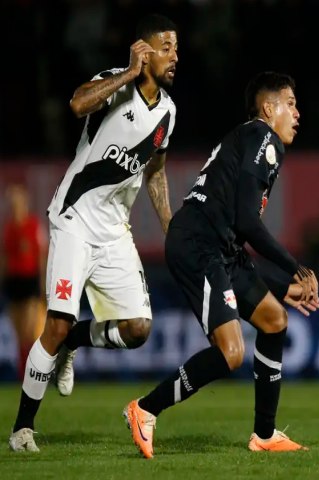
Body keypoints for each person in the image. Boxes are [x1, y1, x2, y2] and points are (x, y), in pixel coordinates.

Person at [123, 71, 319, 459]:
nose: (297, 112)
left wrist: (281, 287)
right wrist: (296, 267)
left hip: (219, 247)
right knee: (231, 352)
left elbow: (236, 233)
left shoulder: (251, 139)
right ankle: (145, 408)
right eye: (291, 103)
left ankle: (264, 434)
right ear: (269, 108)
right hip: (200, 245)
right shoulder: (264, 139)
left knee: (274, 320)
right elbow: (248, 223)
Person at [9, 14, 179, 453]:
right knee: (56, 322)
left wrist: (168, 225)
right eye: (165, 47)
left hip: (114, 232)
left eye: (176, 48)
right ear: (143, 49)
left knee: (138, 328)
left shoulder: (168, 112)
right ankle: (22, 428)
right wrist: (126, 72)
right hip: (73, 221)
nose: (174, 56)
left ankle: (73, 345)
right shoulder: (115, 83)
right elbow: (77, 104)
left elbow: (155, 173)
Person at [1, 185, 47, 381]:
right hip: (14, 282)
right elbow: (4, 257)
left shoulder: (34, 226)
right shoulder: (9, 229)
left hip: (30, 281)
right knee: (19, 334)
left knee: (30, 329)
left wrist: (43, 283)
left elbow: (41, 257)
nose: (15, 207)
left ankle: (34, 372)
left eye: (18, 203)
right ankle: (24, 374)